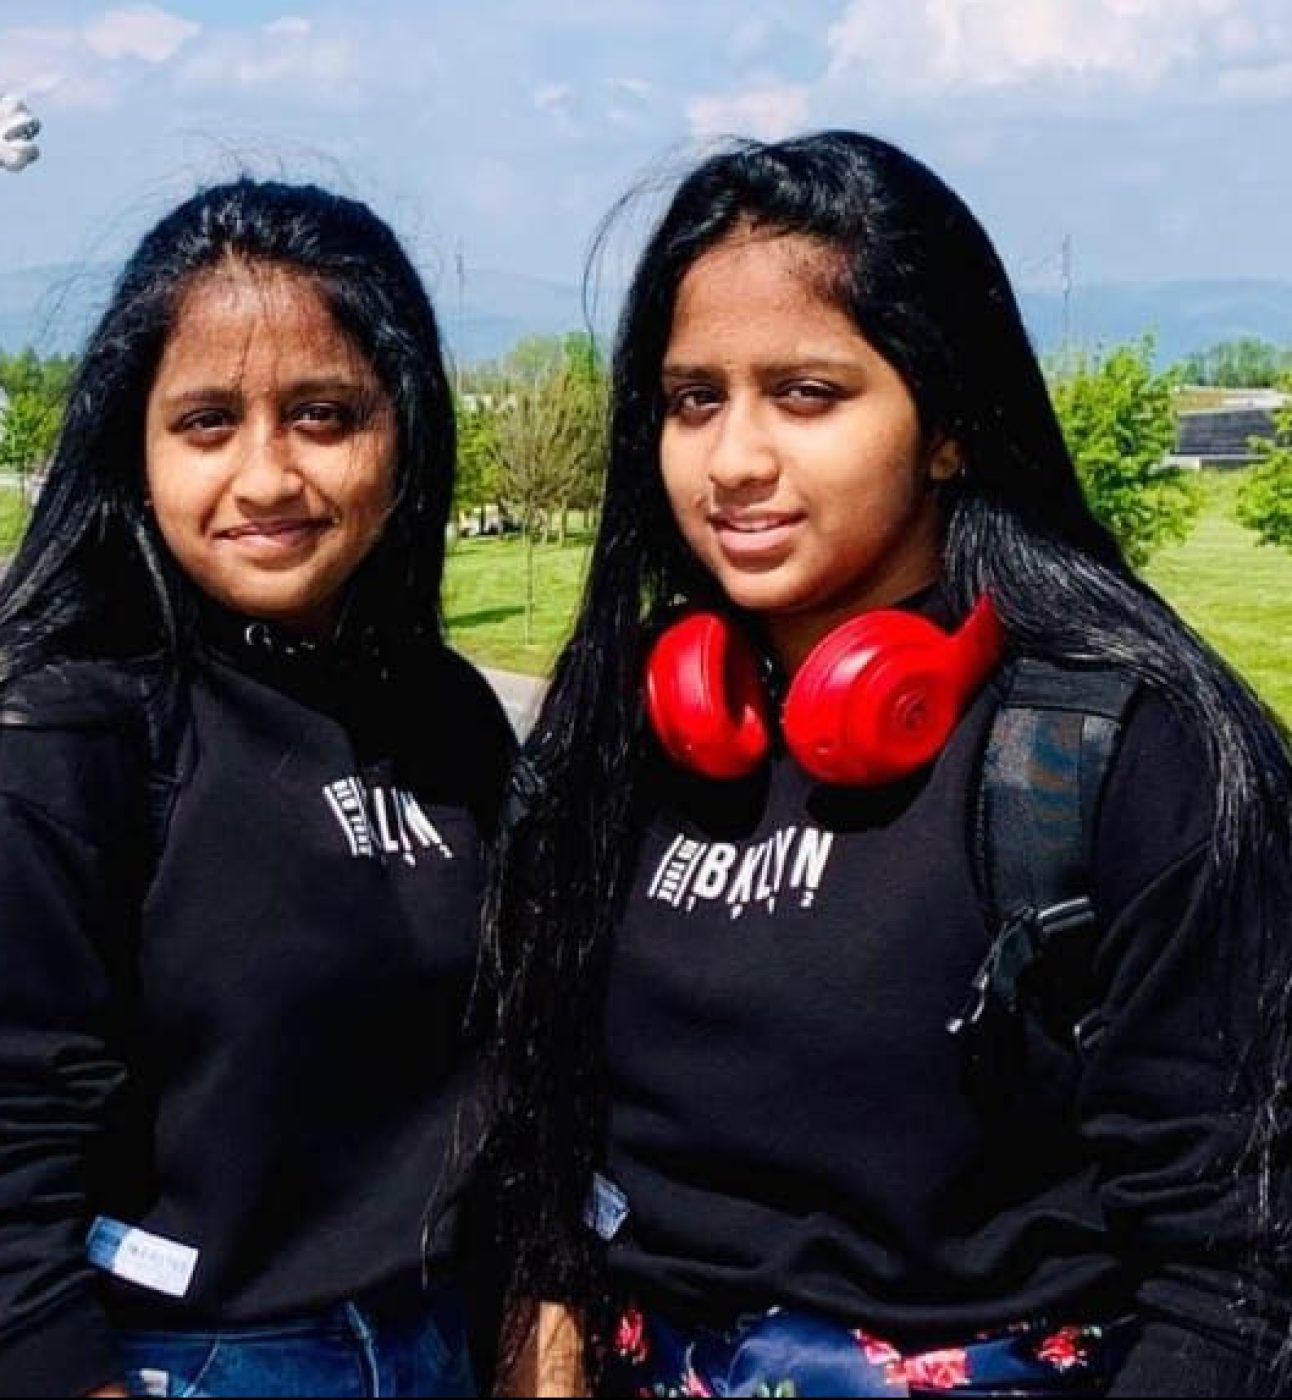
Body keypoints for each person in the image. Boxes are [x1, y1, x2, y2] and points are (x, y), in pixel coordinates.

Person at [472, 132, 1292, 1397]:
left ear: (947, 427)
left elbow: (1231, 1275)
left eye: (806, 393)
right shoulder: (625, 730)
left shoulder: (1115, 754)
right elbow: (553, 1158)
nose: (732, 458)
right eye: (694, 398)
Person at [0, 179, 515, 1398]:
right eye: (206, 422)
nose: (266, 474)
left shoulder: (448, 714)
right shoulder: (71, 733)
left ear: (406, 429)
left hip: (439, 1337)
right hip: (187, 1358)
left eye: (324, 414)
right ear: (137, 444)